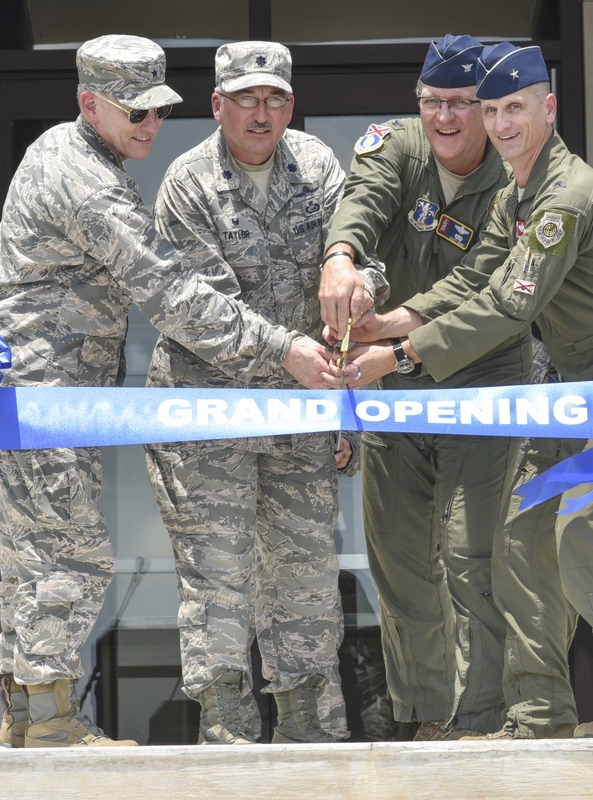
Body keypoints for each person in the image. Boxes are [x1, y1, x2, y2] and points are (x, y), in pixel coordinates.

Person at [0, 34, 346, 749]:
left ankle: (31, 716)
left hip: (54, 394)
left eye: (158, 111)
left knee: (38, 555)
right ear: (90, 103)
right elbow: (173, 294)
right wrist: (285, 348)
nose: (151, 126)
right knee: (66, 553)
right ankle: (49, 725)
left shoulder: (85, 157)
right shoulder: (85, 179)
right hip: (43, 393)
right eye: (136, 113)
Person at [343, 43, 593, 739]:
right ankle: (538, 712)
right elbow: (477, 279)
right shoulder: (514, 191)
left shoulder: (565, 199)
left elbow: (508, 308)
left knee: (585, 539)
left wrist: (399, 357)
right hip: (561, 383)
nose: (499, 124)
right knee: (521, 540)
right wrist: (394, 320)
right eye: (490, 110)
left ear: (548, 108)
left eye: (514, 108)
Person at [143, 41, 386, 746]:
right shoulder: (186, 184)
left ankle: (309, 731)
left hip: (302, 414)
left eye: (274, 97)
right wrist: (288, 350)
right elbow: (199, 310)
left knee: (306, 573)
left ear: (290, 103)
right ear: (217, 105)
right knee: (218, 581)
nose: (261, 111)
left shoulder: (317, 167)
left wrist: (363, 286)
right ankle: (225, 734)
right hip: (208, 414)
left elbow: (361, 254)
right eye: (245, 97)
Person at [319, 34, 550, 741]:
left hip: (478, 376)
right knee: (398, 555)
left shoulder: (522, 179)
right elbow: (364, 198)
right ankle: (427, 715)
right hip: (393, 385)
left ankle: (479, 717)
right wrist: (340, 259)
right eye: (432, 101)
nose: (445, 117)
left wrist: (391, 326)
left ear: (488, 108)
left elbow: (482, 286)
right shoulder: (399, 145)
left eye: (460, 103)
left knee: (470, 552)